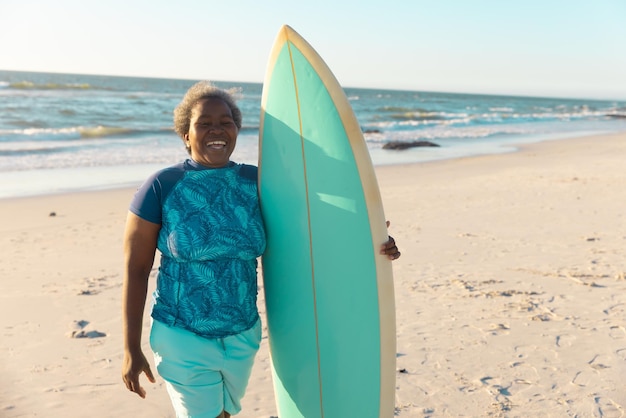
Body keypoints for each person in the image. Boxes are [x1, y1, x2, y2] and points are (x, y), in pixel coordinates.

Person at [121, 81, 401, 418]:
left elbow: (314, 225)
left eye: (226, 122)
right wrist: (131, 347)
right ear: (186, 134)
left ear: (237, 130)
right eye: (204, 123)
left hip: (243, 333)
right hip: (181, 334)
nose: (217, 129)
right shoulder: (162, 186)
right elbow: (135, 269)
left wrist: (368, 237)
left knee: (224, 414)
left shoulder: (260, 182)